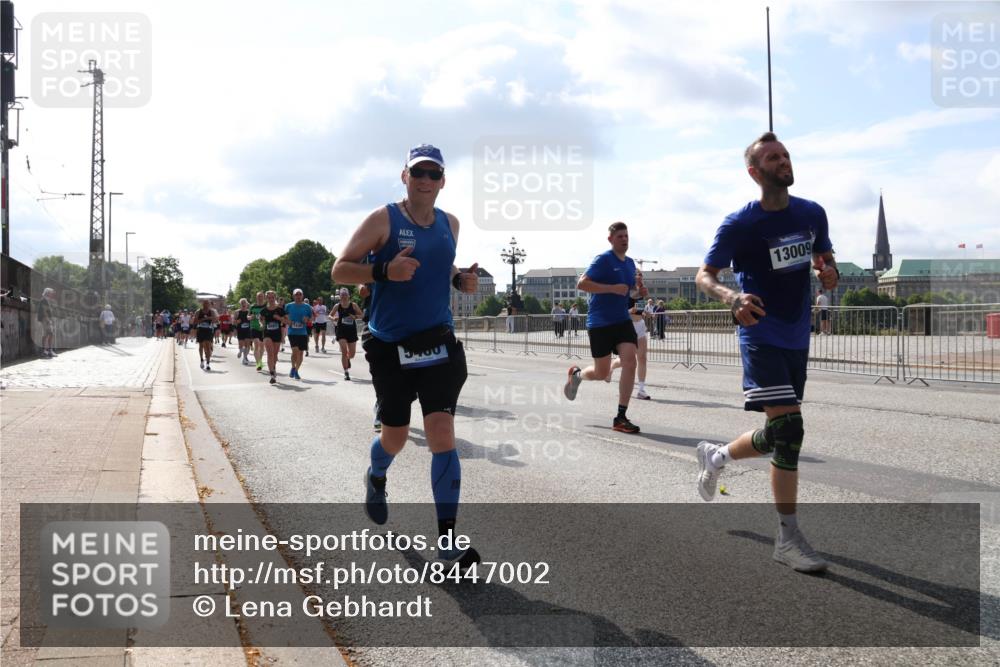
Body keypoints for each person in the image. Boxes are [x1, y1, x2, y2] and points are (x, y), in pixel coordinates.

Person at [694, 131, 839, 573]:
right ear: (755, 173)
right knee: (792, 430)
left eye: (786, 155)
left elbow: (825, 261)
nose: (783, 161)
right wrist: (730, 298)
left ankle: (716, 456)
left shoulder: (812, 213)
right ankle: (788, 537)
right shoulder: (741, 224)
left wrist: (829, 274)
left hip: (797, 334)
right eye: (773, 158)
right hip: (758, 333)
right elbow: (704, 274)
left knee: (779, 433)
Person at [331, 143, 481, 569]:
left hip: (438, 344)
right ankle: (376, 475)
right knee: (395, 437)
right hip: (391, 347)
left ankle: (448, 544)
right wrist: (383, 271)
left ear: (443, 181)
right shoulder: (384, 219)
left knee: (441, 434)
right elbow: (340, 269)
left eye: (434, 174)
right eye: (419, 172)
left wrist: (461, 281)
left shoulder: (450, 224)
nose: (426, 180)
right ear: (405, 176)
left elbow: (444, 268)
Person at [563, 222, 647, 433]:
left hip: (621, 320)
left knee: (630, 361)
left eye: (626, 235)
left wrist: (638, 293)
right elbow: (582, 284)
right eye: (619, 236)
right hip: (600, 323)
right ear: (610, 239)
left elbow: (627, 293)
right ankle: (577, 376)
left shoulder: (630, 264)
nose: (624, 239)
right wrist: (610, 288)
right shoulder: (603, 260)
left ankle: (620, 417)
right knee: (601, 373)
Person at [609, 285, 652, 400]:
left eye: (641, 275)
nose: (639, 277)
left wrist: (644, 314)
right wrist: (629, 311)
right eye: (637, 274)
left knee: (642, 358)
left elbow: (639, 311)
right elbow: (616, 311)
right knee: (628, 359)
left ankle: (641, 390)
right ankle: (611, 367)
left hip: (640, 326)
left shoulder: (640, 294)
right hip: (628, 326)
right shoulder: (623, 290)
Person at [332, 287, 363, 381]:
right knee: (344, 352)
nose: (344, 297)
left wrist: (355, 317)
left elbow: (362, 315)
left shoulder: (353, 305)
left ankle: (348, 359)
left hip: (351, 331)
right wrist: (333, 318)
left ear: (349, 296)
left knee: (352, 354)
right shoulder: (337, 306)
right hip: (341, 331)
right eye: (342, 295)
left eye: (345, 295)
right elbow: (330, 315)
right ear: (340, 296)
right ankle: (346, 372)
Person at [258, 290, 288, 384]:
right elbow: (261, 319)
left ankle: (273, 368)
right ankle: (271, 374)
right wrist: (262, 324)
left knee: (274, 355)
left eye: (272, 297)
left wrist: (279, 318)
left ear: (275, 298)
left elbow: (288, 322)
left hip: (277, 333)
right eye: (269, 297)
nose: (271, 299)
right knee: (270, 353)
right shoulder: (264, 310)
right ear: (266, 298)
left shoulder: (280, 310)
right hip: (267, 333)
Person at [284, 289, 313, 380]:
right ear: (293, 296)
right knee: (295, 351)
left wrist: (307, 319)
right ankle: (293, 366)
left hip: (303, 332)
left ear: (302, 296)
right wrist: (287, 321)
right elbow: (283, 316)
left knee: (301, 353)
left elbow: (312, 318)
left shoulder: (307, 307)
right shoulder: (288, 306)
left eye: (300, 294)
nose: (298, 296)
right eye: (296, 294)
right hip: (292, 332)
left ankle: (296, 370)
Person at [193, 300, 219, 371]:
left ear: (209, 304)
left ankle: (208, 363)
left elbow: (216, 320)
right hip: (200, 330)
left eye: (207, 304)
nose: (206, 305)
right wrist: (203, 319)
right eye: (205, 304)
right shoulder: (198, 311)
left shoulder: (212, 312)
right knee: (201, 346)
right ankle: (201, 360)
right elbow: (194, 321)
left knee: (208, 347)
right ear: (202, 304)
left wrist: (210, 318)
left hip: (209, 330)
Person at [37, 287, 57, 357]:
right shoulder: (44, 300)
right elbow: (44, 311)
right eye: (51, 293)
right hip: (45, 319)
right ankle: (46, 351)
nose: (52, 294)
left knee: (48, 334)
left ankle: (47, 351)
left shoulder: (46, 300)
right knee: (48, 334)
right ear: (47, 293)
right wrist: (48, 319)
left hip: (46, 319)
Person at [249, 292, 266, 371]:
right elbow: (248, 316)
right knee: (256, 344)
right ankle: (258, 363)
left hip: (263, 328)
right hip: (254, 327)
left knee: (262, 346)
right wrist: (250, 317)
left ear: (264, 297)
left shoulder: (266, 306)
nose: (260, 298)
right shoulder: (253, 306)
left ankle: (260, 360)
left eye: (261, 296)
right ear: (256, 297)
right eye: (258, 296)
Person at [234, 298, 253, 364]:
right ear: (240, 304)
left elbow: (252, 320)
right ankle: (240, 351)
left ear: (246, 304)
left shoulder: (249, 312)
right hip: (240, 330)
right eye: (242, 303)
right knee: (241, 345)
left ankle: (244, 358)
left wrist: (251, 318)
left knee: (247, 345)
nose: (243, 304)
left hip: (248, 330)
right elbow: (234, 322)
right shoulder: (237, 312)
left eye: (244, 303)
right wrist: (237, 321)